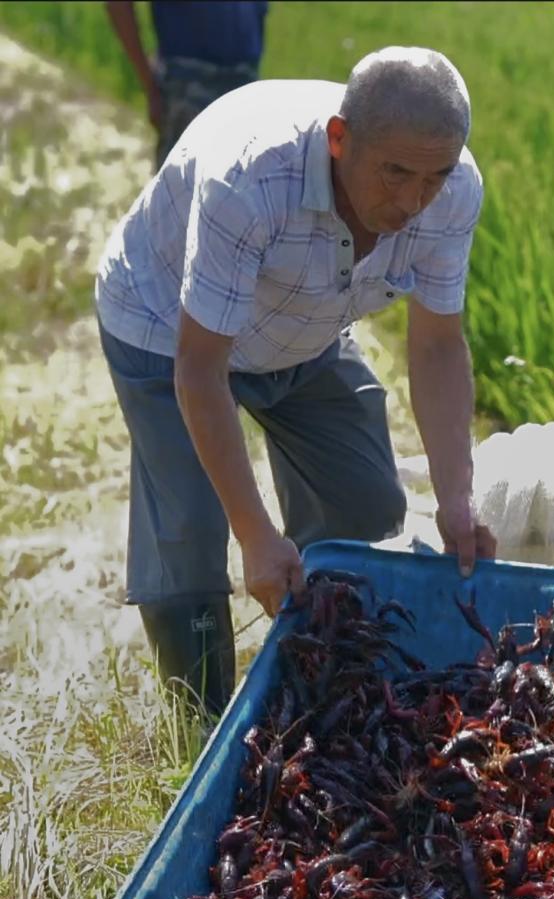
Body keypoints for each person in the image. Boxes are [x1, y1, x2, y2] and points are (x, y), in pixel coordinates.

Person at [95, 47, 496, 716]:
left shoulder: (453, 189)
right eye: (394, 172)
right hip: (166, 326)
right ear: (340, 140)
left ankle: (316, 684)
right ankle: (203, 728)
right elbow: (199, 369)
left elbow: (435, 345)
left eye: (432, 177)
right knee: (191, 544)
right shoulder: (250, 181)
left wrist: (457, 495)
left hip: (303, 324)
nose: (412, 201)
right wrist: (254, 533)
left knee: (367, 506)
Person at [105, 1, 269, 168]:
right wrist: (149, 83)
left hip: (245, 88)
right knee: (185, 188)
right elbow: (118, 5)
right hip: (189, 86)